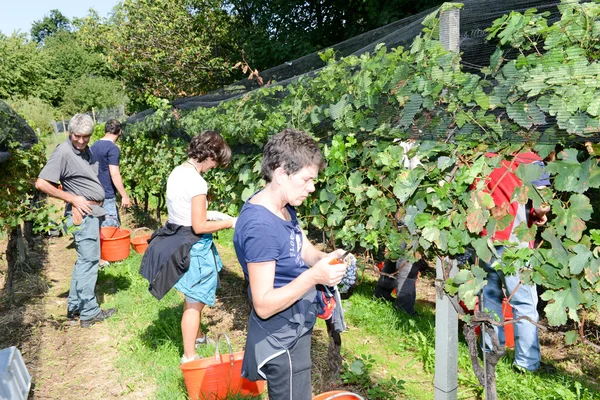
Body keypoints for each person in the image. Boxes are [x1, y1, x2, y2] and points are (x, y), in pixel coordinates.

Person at [233, 128, 348, 400]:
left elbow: (303, 249)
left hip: (293, 326)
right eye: (307, 179)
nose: (312, 187)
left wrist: (325, 259)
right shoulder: (261, 226)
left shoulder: (283, 208)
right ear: (281, 174)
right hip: (280, 337)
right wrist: (313, 278)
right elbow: (263, 304)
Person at [140, 131, 234, 364]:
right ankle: (189, 357)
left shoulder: (177, 172)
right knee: (194, 303)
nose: (214, 167)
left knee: (193, 293)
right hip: (194, 246)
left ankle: (199, 336)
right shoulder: (198, 182)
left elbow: (184, 213)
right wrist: (230, 222)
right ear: (209, 154)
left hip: (176, 236)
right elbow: (200, 226)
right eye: (215, 161)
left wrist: (214, 214)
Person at [35, 114, 116, 328]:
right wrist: (71, 197)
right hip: (83, 214)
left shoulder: (84, 150)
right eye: (78, 136)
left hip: (92, 212)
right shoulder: (63, 152)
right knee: (89, 262)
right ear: (70, 132)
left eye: (86, 136)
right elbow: (41, 183)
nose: (81, 140)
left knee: (84, 261)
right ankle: (89, 312)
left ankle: (75, 307)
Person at [479, 150, 552, 373]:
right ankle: (526, 365)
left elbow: (478, 194)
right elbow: (542, 204)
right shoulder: (532, 160)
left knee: (489, 297)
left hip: (486, 238)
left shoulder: (485, 155)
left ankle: (490, 353)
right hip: (515, 243)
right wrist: (540, 215)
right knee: (524, 305)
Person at [90, 119, 131, 228]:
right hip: (107, 194)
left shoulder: (93, 146)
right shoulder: (112, 149)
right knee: (110, 230)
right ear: (120, 131)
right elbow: (114, 173)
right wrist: (124, 195)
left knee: (100, 229)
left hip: (94, 193)